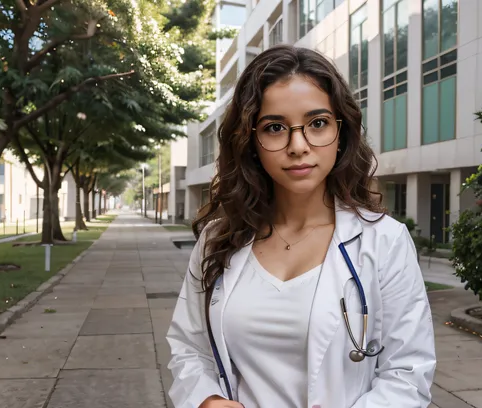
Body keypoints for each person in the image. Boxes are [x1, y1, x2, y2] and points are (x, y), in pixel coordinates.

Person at [166, 45, 436, 408]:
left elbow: (408, 372)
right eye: (275, 127)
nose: (298, 146)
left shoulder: (384, 241)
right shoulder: (219, 240)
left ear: (341, 133)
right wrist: (207, 400)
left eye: (318, 123)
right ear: (251, 141)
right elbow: (189, 347)